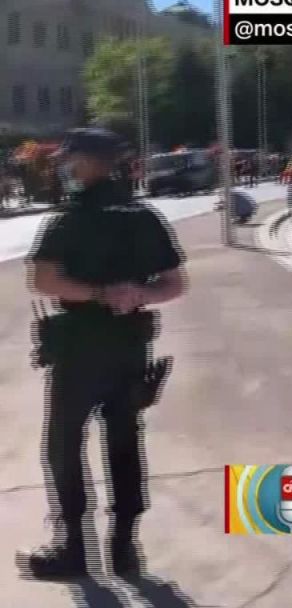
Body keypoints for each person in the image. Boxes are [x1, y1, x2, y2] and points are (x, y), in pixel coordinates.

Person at [19, 128, 187, 579]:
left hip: (78, 350)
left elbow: (43, 280)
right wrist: (138, 294)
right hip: (130, 348)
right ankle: (124, 548)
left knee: (63, 447)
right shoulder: (145, 217)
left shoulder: (68, 220)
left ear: (93, 163)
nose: (64, 167)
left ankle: (74, 549)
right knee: (125, 444)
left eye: (70, 159)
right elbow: (175, 284)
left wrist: (97, 293)